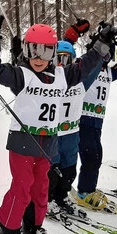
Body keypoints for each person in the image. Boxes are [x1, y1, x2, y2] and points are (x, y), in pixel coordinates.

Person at [0, 17, 108, 234]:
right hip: (23, 141)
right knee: (22, 188)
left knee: (41, 189)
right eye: (33, 50)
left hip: (49, 143)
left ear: (53, 52)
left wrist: (102, 44)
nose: (39, 57)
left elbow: (88, 63)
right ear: (27, 51)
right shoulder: (22, 75)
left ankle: (33, 227)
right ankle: (8, 228)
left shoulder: (63, 76)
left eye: (45, 50)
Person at [69, 26, 117, 212]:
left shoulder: (107, 71)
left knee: (96, 157)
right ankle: (84, 191)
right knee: (90, 157)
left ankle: (87, 189)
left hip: (96, 122)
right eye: (105, 54)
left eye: (109, 56)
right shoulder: (85, 67)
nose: (107, 58)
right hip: (81, 119)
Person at [43, 40, 92, 216]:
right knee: (52, 169)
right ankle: (47, 200)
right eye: (58, 59)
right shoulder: (49, 79)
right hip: (54, 134)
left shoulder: (80, 81)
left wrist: (100, 50)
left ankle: (62, 197)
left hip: (71, 133)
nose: (62, 64)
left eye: (67, 59)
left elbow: (93, 66)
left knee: (69, 168)